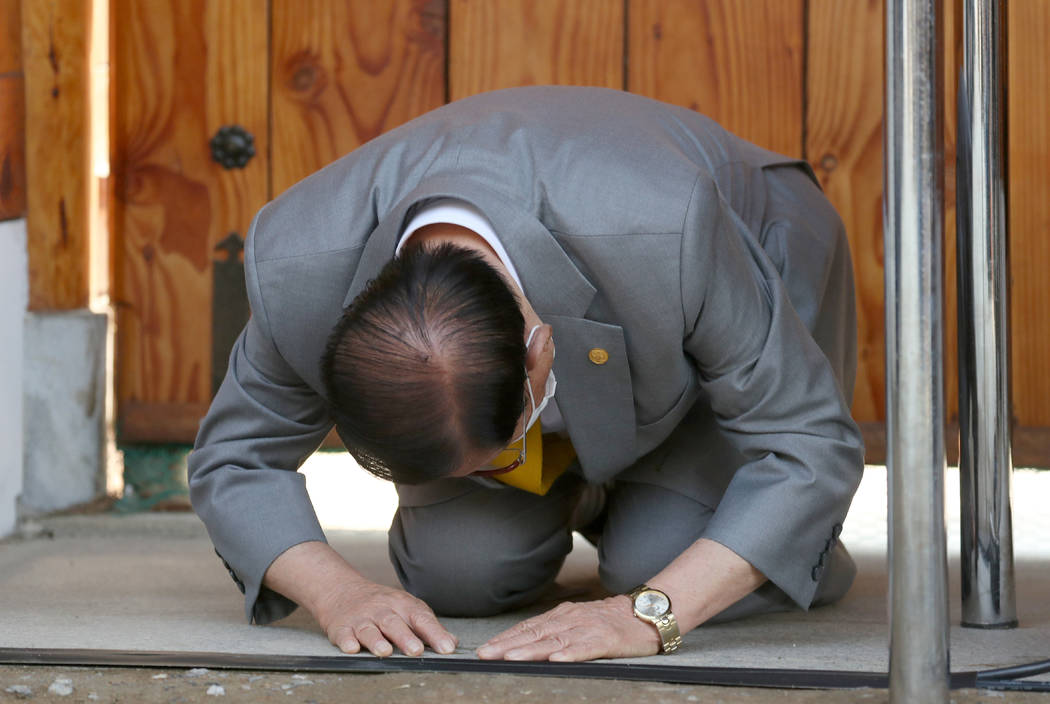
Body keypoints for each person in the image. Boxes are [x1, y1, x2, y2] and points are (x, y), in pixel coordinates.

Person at [188, 85, 864, 662]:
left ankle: (666, 513)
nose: (492, 480)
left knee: (653, 563)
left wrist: (646, 614)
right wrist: (339, 592)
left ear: (543, 352)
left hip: (751, 241)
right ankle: (610, 499)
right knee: (458, 576)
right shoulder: (296, 272)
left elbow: (805, 443)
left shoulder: (667, 227)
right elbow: (234, 459)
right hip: (583, 303)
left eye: (500, 457)